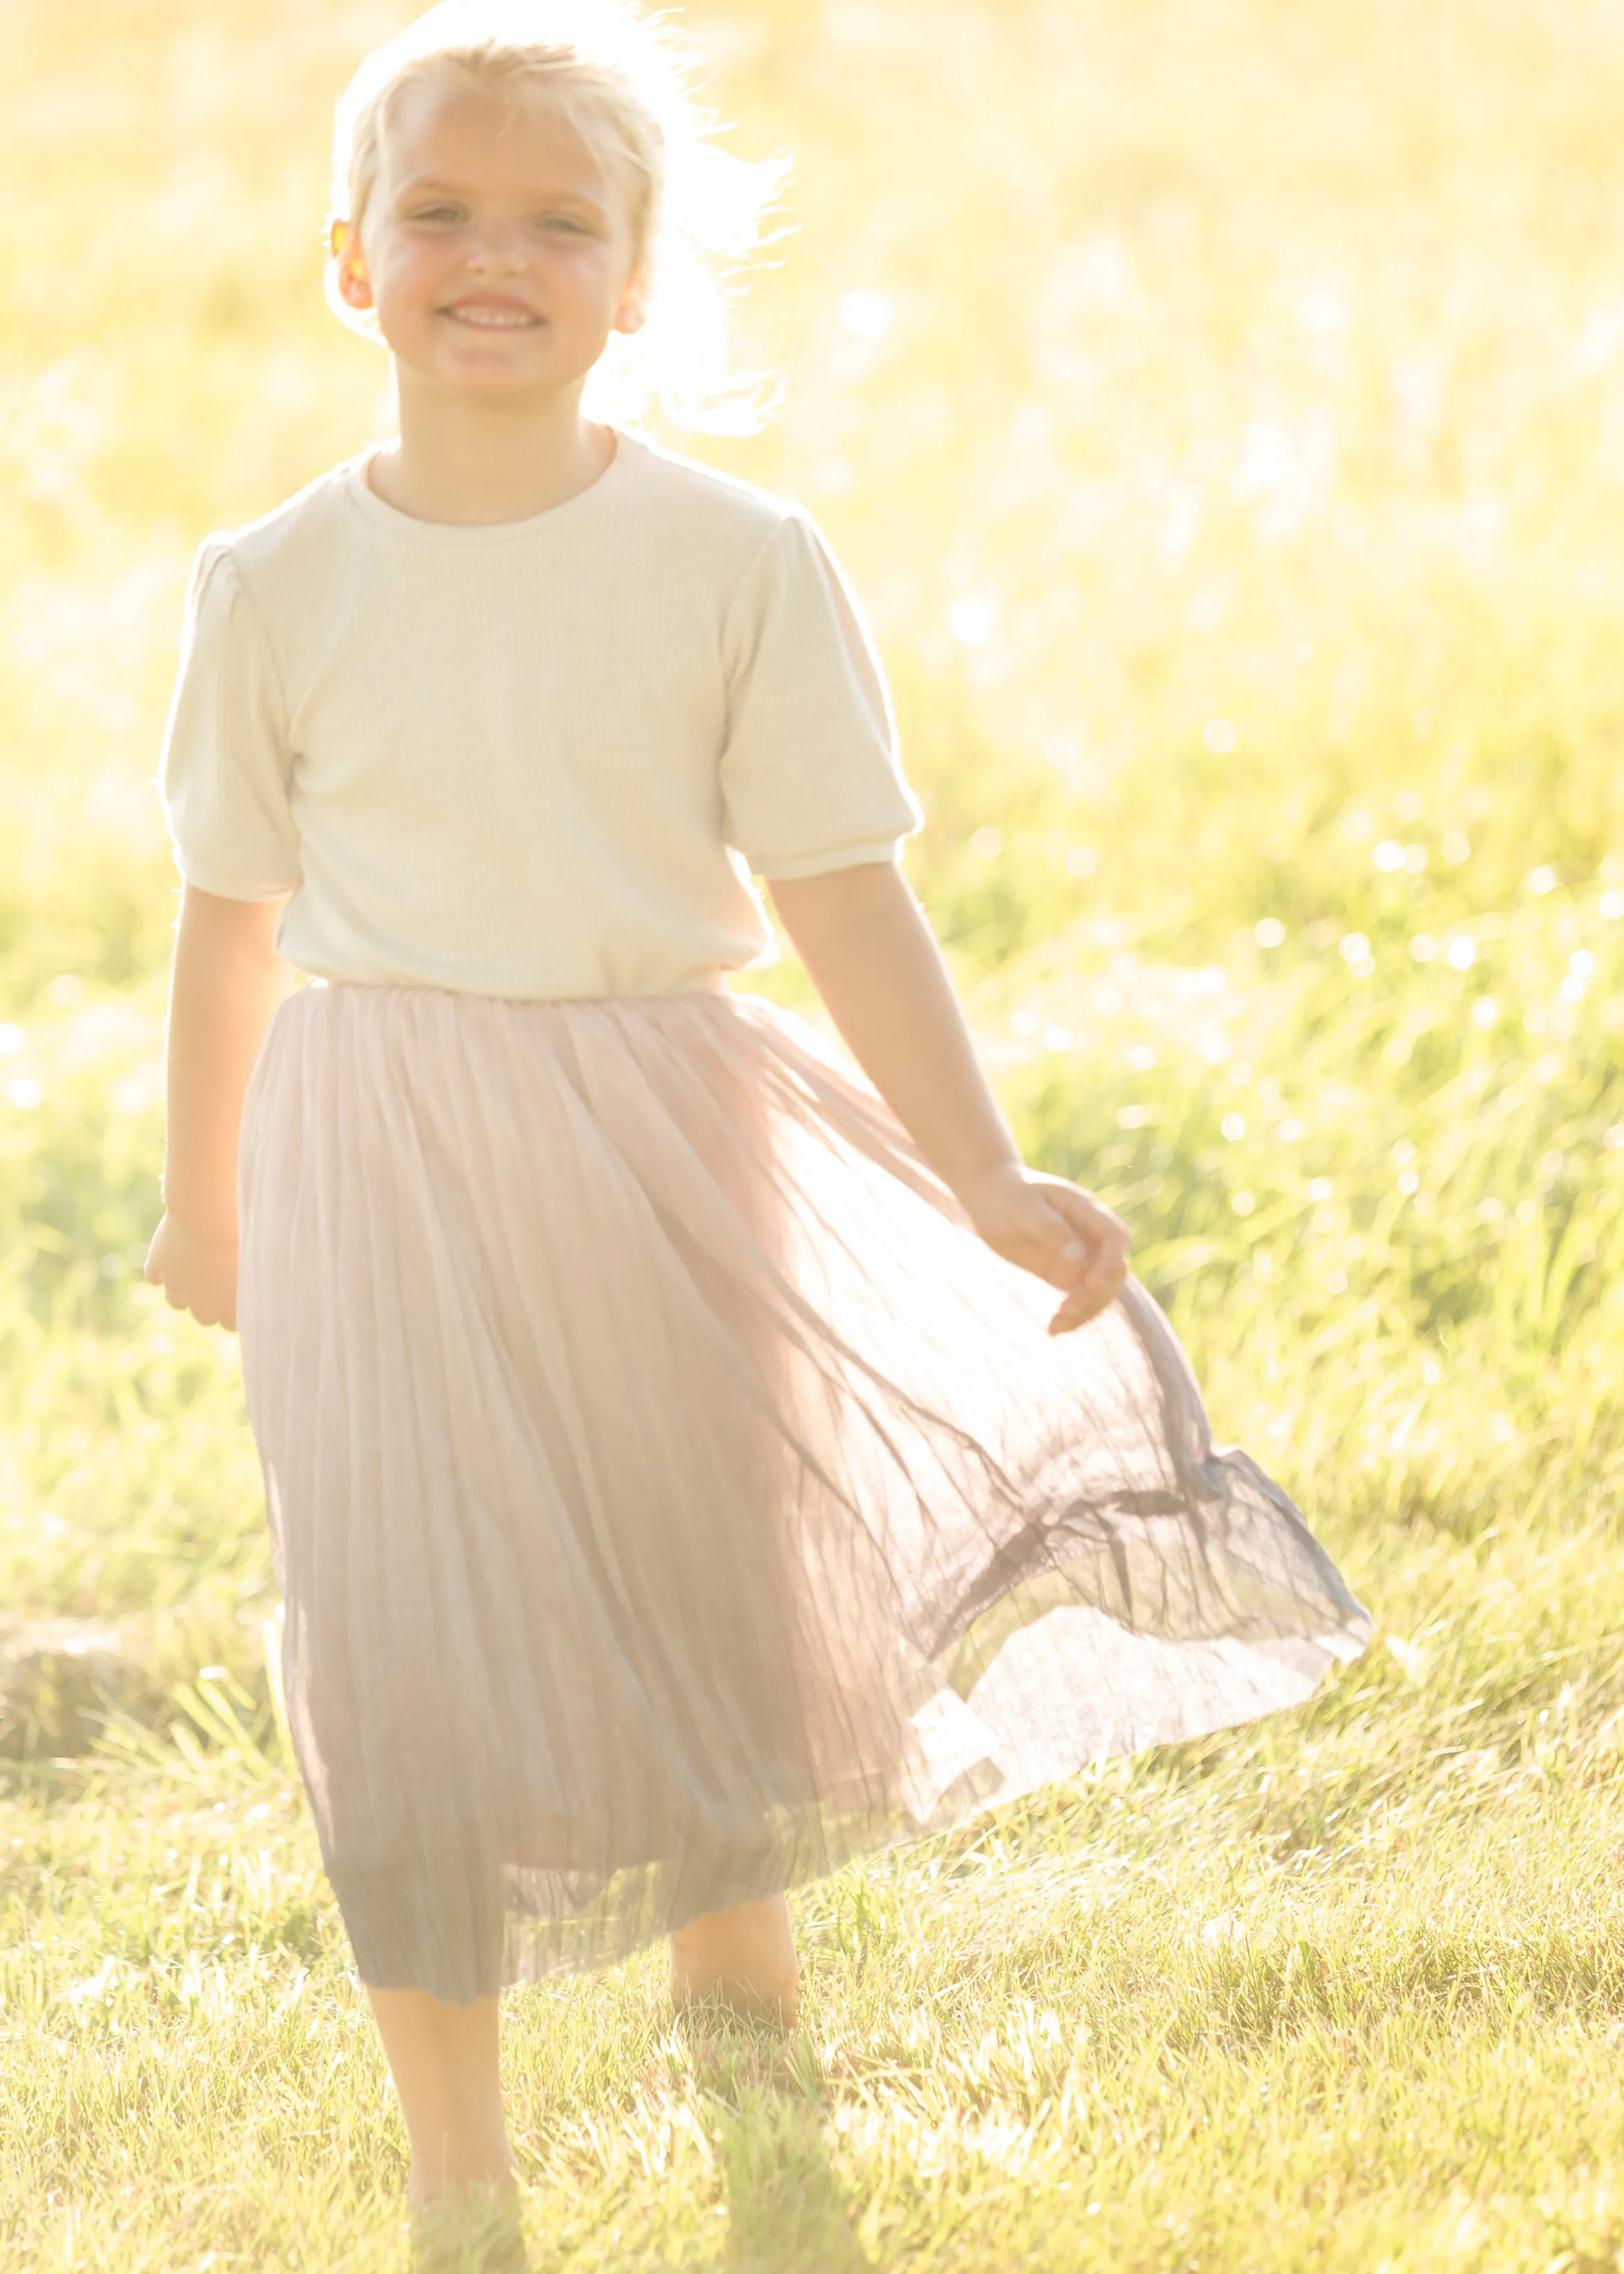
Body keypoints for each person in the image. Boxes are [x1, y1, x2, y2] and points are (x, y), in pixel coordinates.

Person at [143, 0, 1370, 2222]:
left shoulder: (732, 562)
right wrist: (202, 1204)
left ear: (636, 283)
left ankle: (743, 1979)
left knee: (701, 1560)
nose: (490, 257)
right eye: (437, 212)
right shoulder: (275, 585)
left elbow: (842, 902)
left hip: (663, 1112)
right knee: (393, 1624)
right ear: (350, 260)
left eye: (556, 222)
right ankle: (460, 2168)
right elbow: (229, 925)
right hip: (374, 1138)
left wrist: (975, 1164)